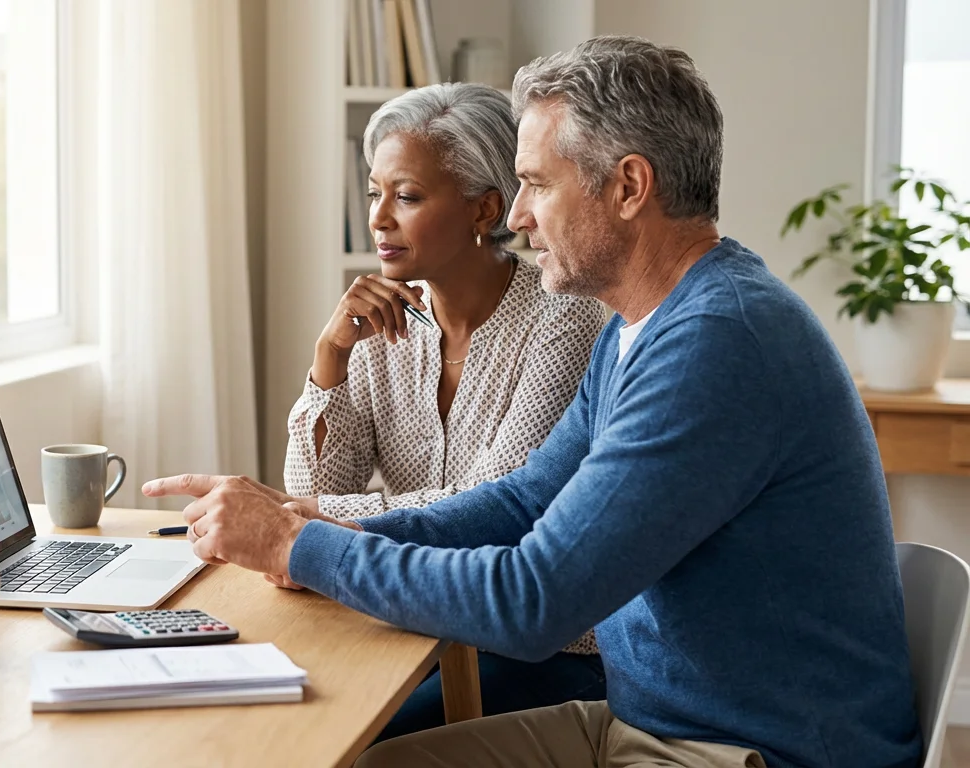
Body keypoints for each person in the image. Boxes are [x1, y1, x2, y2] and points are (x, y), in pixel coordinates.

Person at [144, 34, 921, 768]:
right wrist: (327, 523)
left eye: (537, 185)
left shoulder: (717, 343)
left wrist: (293, 546)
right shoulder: (638, 329)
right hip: (653, 722)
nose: (514, 216)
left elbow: (531, 600)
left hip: (746, 750)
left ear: (628, 186)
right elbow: (521, 502)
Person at [282, 83, 606, 737]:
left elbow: (497, 507)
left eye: (406, 196)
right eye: (374, 192)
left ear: (483, 209)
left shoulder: (560, 320)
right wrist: (329, 358)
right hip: (419, 621)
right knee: (286, 710)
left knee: (350, 737)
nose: (377, 218)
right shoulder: (379, 321)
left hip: (541, 648)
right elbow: (311, 493)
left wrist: (306, 522)